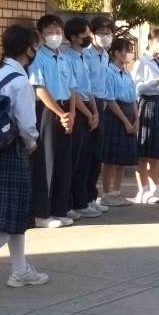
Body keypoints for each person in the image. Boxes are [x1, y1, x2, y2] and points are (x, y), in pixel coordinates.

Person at [0, 24, 48, 287]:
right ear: (27, 49)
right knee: (7, 224)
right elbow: (28, 125)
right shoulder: (20, 81)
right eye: (35, 45)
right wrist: (32, 143)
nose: (36, 49)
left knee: (14, 218)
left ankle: (20, 270)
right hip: (12, 152)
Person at [29, 14, 76, 229]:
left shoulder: (64, 58)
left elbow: (72, 88)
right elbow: (40, 89)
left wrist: (71, 113)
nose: (54, 35)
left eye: (58, 31)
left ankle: (60, 209)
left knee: (64, 162)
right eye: (49, 32)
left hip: (66, 110)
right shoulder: (38, 58)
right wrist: (60, 113)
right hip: (48, 111)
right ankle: (42, 213)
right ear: (41, 35)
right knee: (46, 162)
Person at [63, 18, 101, 219]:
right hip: (78, 109)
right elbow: (74, 91)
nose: (89, 37)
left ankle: (86, 198)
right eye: (84, 34)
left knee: (90, 159)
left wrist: (95, 112)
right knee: (77, 160)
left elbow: (89, 88)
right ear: (73, 37)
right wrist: (87, 114)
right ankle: (75, 202)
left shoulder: (84, 57)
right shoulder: (67, 58)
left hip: (89, 107)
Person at [132, 28, 159, 204]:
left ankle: (154, 188)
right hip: (147, 103)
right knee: (143, 151)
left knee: (156, 152)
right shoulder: (141, 62)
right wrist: (158, 81)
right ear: (150, 42)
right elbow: (137, 87)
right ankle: (143, 189)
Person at [101, 38, 138, 206]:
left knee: (122, 158)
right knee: (110, 158)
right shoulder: (109, 72)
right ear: (116, 53)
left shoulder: (127, 73)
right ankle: (106, 193)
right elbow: (110, 99)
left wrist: (136, 119)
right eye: (126, 50)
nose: (129, 54)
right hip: (115, 115)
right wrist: (125, 121)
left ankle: (117, 192)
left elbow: (133, 99)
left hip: (129, 113)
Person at [83, 16, 113, 213]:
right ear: (92, 34)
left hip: (101, 104)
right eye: (101, 33)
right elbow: (86, 86)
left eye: (108, 33)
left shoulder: (105, 55)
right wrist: (93, 111)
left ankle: (92, 197)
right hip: (87, 104)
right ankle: (82, 199)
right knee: (86, 155)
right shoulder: (86, 55)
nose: (105, 37)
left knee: (97, 155)